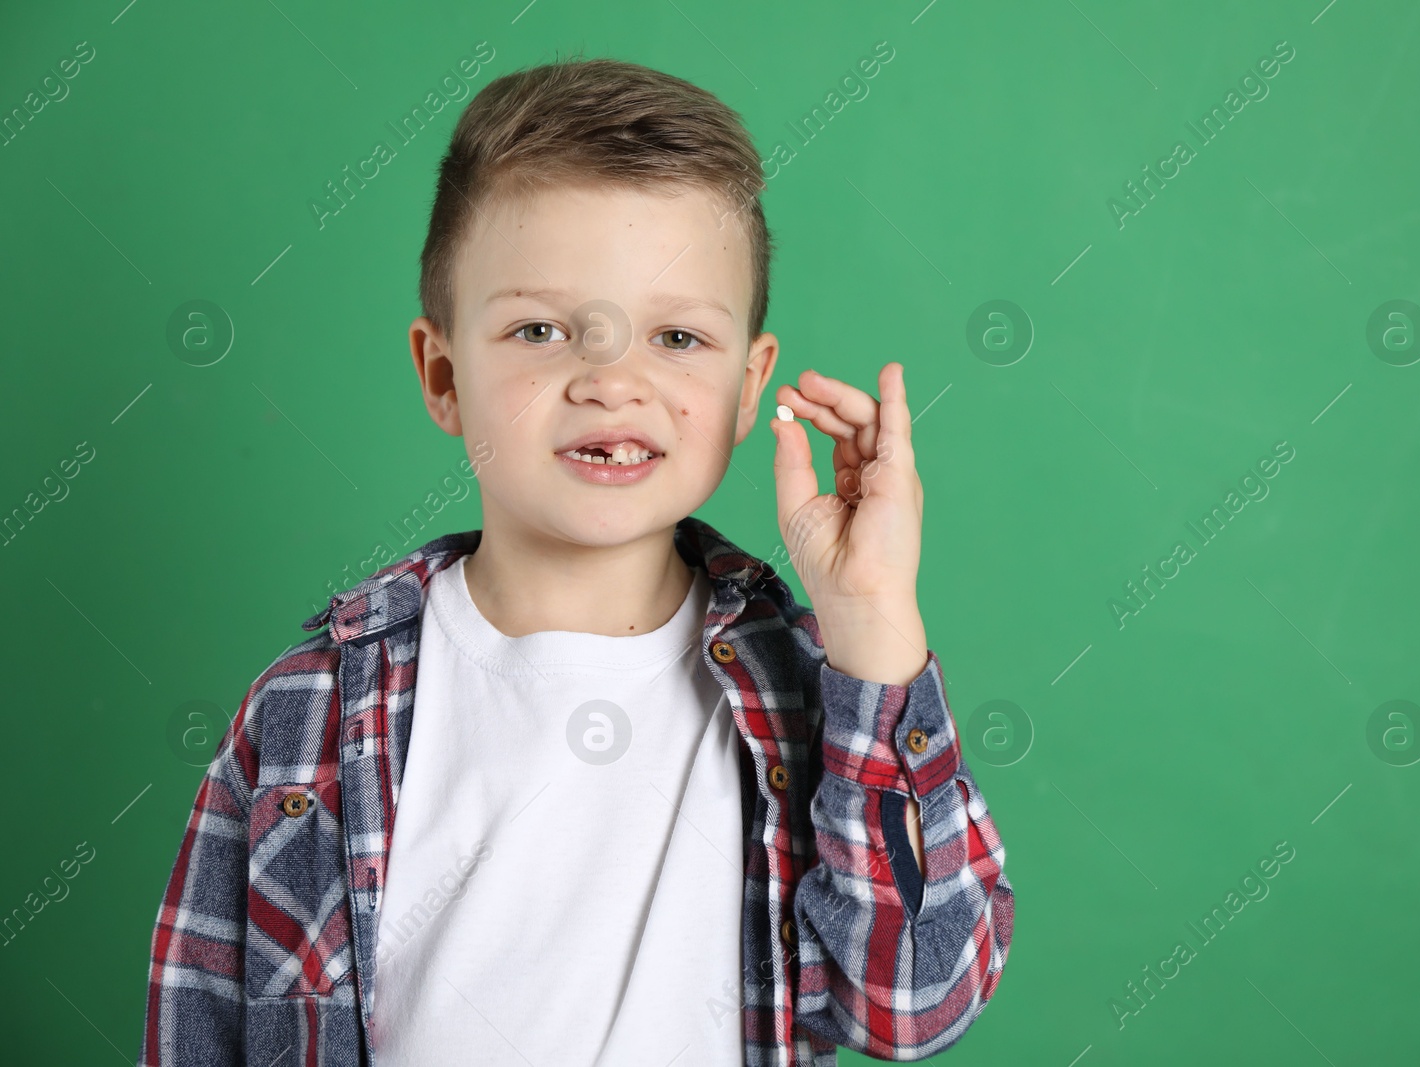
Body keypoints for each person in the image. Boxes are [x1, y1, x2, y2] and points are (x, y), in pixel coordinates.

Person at [140, 56, 1013, 1067]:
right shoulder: (305, 714)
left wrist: (872, 625)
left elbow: (917, 1004)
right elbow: (194, 1028)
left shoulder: (820, 697)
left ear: (746, 386)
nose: (611, 381)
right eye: (541, 329)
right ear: (443, 372)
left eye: (677, 334)